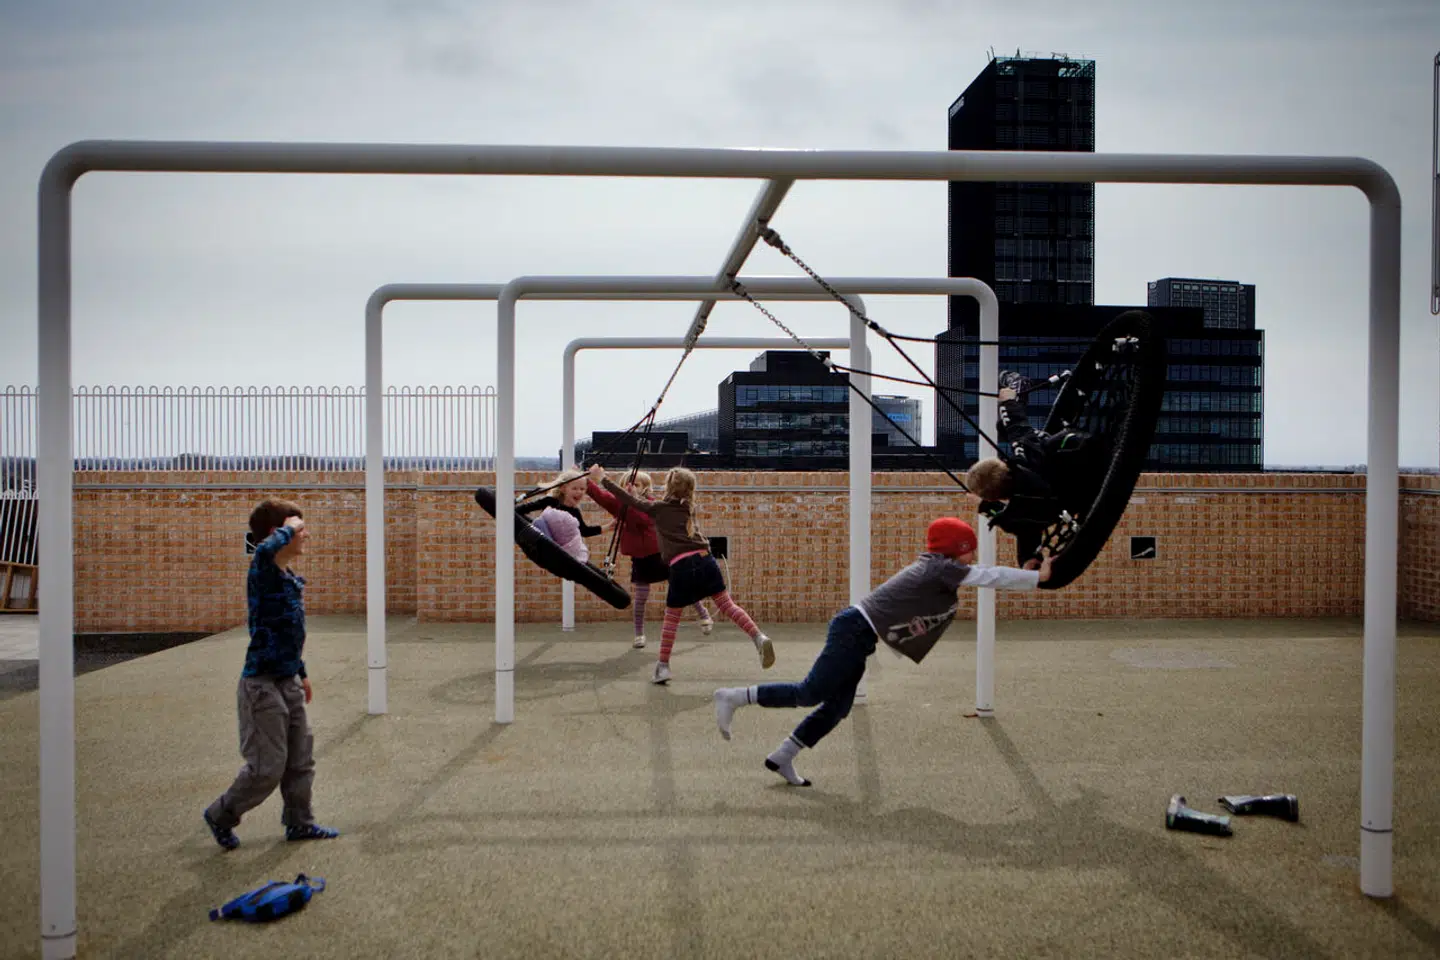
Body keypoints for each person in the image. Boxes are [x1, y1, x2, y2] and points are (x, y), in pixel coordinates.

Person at [712, 516, 1053, 787]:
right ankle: (735, 697)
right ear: (954, 549)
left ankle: (783, 755)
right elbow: (987, 576)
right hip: (852, 629)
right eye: (969, 549)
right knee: (810, 692)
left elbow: (982, 574)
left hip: (859, 635)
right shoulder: (941, 567)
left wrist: (1029, 575)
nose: (972, 556)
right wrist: (1037, 578)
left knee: (837, 707)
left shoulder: (938, 567)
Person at [203, 499, 339, 849]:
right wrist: (289, 526)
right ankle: (221, 814)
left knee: (300, 759)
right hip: (260, 684)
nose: (305, 534)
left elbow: (289, 635)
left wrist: (302, 672)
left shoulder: (289, 578)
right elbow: (264, 549)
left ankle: (300, 823)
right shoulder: (263, 568)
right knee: (267, 767)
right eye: (299, 528)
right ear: (277, 533)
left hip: (287, 679)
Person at [588, 463, 772, 684]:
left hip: (681, 565)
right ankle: (758, 636)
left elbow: (631, 503)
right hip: (706, 559)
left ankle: (663, 667)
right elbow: (640, 503)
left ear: (668, 487)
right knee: (726, 604)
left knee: (672, 618)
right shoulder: (688, 507)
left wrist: (603, 480)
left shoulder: (659, 508)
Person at [963, 371, 1105, 565]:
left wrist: (1028, 559)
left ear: (998, 497)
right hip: (1085, 454)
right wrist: (1008, 401)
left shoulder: (1023, 514)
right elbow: (1017, 428)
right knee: (1011, 430)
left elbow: (1027, 531)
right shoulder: (1024, 464)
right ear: (1005, 465)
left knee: (1030, 443)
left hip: (1078, 495)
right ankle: (1018, 385)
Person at [586, 469, 714, 649]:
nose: (630, 488)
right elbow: (601, 496)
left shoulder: (652, 506)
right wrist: (587, 481)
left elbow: (641, 518)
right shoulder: (619, 504)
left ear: (645, 488)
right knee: (640, 597)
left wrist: (631, 500)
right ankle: (639, 633)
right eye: (626, 485)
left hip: (661, 554)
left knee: (683, 586)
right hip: (640, 557)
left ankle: (703, 613)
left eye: (636, 484)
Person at [517, 469, 604, 547]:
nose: (579, 492)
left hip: (563, 550)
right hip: (546, 544)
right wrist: (533, 527)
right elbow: (521, 510)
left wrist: (608, 527)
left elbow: (584, 531)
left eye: (582, 489)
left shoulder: (574, 511)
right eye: (575, 488)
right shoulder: (550, 501)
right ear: (563, 488)